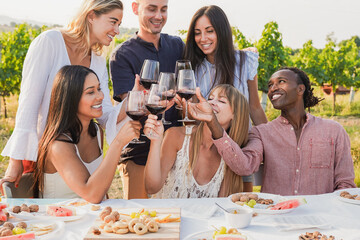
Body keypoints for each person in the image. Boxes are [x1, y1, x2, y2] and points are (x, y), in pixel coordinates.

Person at [0, 0, 128, 191]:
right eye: (113, 21)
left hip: (81, 151)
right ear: (92, 16)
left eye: (119, 24)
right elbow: (28, 104)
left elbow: (104, 114)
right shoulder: (50, 42)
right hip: (43, 153)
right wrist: (16, 161)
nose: (117, 30)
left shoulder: (99, 61)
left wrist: (134, 100)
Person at [216, 67, 356, 195]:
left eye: (281, 82)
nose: (273, 88)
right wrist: (213, 124)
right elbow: (244, 167)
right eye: (270, 85)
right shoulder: (261, 133)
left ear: (300, 89)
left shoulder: (334, 131)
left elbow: (345, 184)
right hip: (276, 217)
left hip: (321, 218)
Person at [33, 65, 141, 203]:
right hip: (61, 220)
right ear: (70, 98)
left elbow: (101, 189)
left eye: (99, 89)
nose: (101, 96)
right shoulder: (57, 145)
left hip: (90, 218)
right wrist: (118, 143)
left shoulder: (95, 132)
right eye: (91, 92)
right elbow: (92, 195)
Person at [109, 0, 184, 199]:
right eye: (152, 9)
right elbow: (129, 107)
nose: (159, 16)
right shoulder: (122, 55)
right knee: (140, 218)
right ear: (135, 8)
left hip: (178, 154)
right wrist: (139, 97)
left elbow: (210, 57)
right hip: (140, 154)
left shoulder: (177, 46)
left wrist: (241, 56)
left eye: (163, 9)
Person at [144, 84, 252, 198]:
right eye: (210, 98)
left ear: (235, 115)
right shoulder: (177, 136)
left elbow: (222, 207)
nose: (212, 103)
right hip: (169, 215)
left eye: (221, 101)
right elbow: (151, 188)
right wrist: (155, 141)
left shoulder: (230, 159)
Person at [184, 5, 267, 126]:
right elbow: (195, 122)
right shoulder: (195, 70)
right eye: (197, 33)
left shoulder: (246, 61)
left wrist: (271, 142)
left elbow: (255, 108)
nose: (202, 38)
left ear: (222, 31)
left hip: (242, 141)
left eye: (209, 31)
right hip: (209, 141)